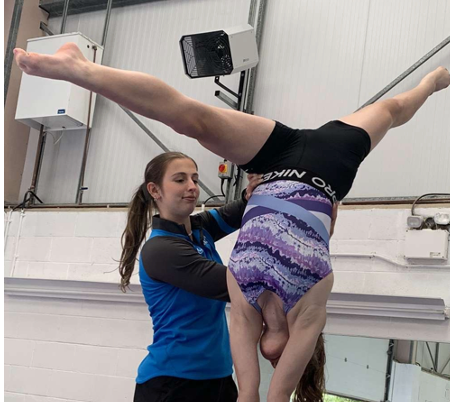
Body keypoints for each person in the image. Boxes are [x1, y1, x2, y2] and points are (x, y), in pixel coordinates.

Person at [14, 44, 450, 402]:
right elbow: (274, 397)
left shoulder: (240, 292)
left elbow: (249, 391)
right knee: (391, 109)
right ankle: (432, 82)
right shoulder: (311, 301)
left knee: (193, 119)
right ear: (301, 349)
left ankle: (80, 70)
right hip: (329, 168)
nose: (270, 355)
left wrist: (256, 196)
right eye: (280, 360)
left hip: (275, 161)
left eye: (192, 179)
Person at [119, 151, 262, 401]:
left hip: (218, 377)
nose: (192, 187)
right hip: (174, 384)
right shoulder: (161, 249)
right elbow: (236, 286)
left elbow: (238, 211)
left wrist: (256, 188)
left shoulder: (198, 229)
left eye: (194, 179)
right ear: (155, 190)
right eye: (180, 180)